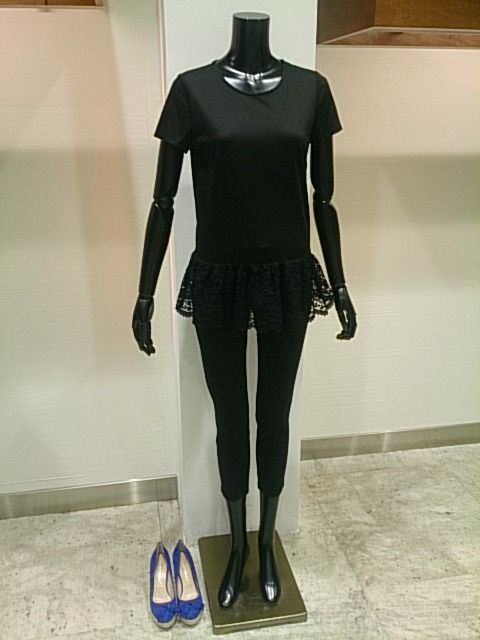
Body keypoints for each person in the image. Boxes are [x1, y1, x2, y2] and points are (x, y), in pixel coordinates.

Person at [132, 11, 357, 610]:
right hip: (218, 278)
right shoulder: (192, 91)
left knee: (274, 417)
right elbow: (161, 202)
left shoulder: (311, 90)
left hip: (287, 275)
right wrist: (145, 292)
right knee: (231, 417)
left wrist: (339, 285)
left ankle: (265, 542)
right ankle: (235, 545)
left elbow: (324, 199)